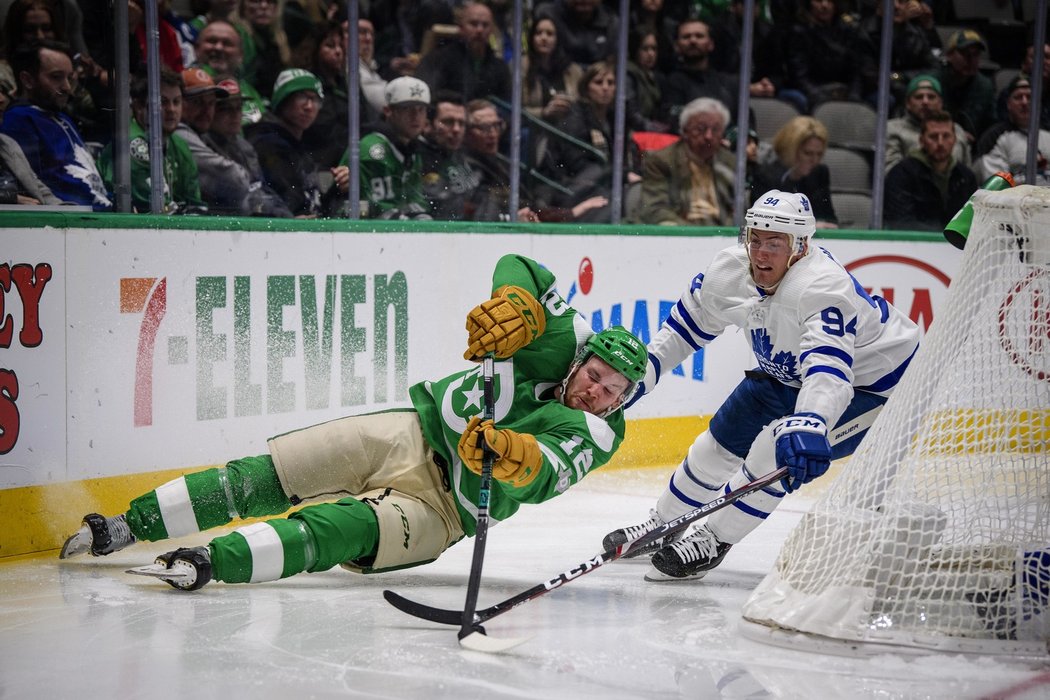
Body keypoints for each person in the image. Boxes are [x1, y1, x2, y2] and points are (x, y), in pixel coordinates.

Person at [58, 254, 648, 593]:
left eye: (613, 392)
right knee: (264, 475)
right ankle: (125, 525)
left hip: (444, 510)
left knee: (332, 529)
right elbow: (518, 265)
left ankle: (209, 562)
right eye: (596, 376)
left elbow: (543, 472)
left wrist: (510, 455)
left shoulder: (599, 432)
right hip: (407, 432)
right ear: (582, 359)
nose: (598, 393)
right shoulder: (563, 336)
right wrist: (516, 300)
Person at [605, 189, 921, 581]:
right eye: (755, 238)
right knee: (715, 446)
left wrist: (811, 419)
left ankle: (713, 539)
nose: (761, 252)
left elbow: (829, 369)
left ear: (800, 247)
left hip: (873, 388)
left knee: (774, 449)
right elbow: (683, 331)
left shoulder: (822, 287)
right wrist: (642, 373)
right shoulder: (728, 272)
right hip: (787, 373)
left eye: (775, 243)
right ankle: (663, 524)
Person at [0, 39, 109, 208]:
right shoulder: (19, 120)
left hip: (100, 218)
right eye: (56, 77)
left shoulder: (62, 117)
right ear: (28, 80)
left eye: (70, 78)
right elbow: (32, 185)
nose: (66, 87)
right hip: (69, 225)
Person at [539, 60, 642, 220]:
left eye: (611, 83)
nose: (605, 88)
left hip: (600, 184)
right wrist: (623, 175)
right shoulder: (574, 117)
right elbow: (578, 164)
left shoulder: (615, 119)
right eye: (599, 82)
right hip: (567, 187)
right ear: (586, 88)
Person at [98, 67, 205, 214]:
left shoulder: (180, 145)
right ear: (139, 106)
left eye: (176, 102)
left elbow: (195, 204)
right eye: (163, 102)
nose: (172, 109)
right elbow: (157, 209)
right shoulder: (132, 144)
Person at [331, 75, 431, 220]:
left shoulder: (413, 150)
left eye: (421, 109)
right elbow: (349, 208)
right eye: (406, 108)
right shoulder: (370, 148)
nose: (415, 116)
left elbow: (415, 201)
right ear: (388, 111)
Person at [636, 96, 735, 226]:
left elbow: (739, 210)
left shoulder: (730, 162)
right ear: (685, 131)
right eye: (700, 129)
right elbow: (655, 208)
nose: (708, 136)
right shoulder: (661, 160)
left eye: (716, 129)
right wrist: (694, 234)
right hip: (680, 232)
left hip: (722, 235)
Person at [244, 67, 327, 218]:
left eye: (315, 99)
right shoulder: (266, 143)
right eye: (302, 97)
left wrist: (339, 185)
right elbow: (291, 201)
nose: (309, 106)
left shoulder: (299, 145)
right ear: (283, 99)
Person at [206, 78, 292, 217]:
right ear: (210, 110)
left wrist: (289, 220)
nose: (235, 114)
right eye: (225, 109)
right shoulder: (203, 145)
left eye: (238, 107)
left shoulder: (244, 146)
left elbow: (261, 189)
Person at [883, 110, 977, 231]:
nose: (940, 143)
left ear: (954, 139)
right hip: (914, 245)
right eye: (933, 137)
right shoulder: (901, 173)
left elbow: (974, 220)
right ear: (922, 140)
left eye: (946, 136)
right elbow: (900, 222)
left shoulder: (966, 177)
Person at [414, 2, 511, 104]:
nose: (479, 30)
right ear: (461, 28)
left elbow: (508, 105)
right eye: (473, 24)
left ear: (491, 30)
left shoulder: (500, 68)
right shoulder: (437, 60)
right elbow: (426, 96)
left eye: (485, 25)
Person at [753, 115, 838, 228]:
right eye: (808, 153)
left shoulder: (820, 173)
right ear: (790, 150)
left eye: (819, 154)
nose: (815, 160)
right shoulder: (765, 176)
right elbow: (761, 221)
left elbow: (829, 217)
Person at [781, 0, 866, 114]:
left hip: (842, 89)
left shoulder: (848, 30)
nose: (824, 5)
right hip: (813, 90)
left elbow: (856, 72)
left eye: (830, 1)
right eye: (818, 0)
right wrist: (821, 98)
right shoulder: (798, 32)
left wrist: (854, 96)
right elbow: (799, 76)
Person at [660, 18, 739, 128]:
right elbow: (672, 116)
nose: (693, 41)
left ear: (711, 44)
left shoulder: (729, 83)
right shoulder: (670, 83)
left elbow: (745, 119)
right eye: (686, 37)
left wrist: (730, 140)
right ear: (677, 46)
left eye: (699, 36)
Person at [973, 75, 1050, 186]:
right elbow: (996, 187)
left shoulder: (1047, 134)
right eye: (1018, 97)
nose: (1024, 102)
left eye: (1029, 97)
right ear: (1008, 104)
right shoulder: (994, 137)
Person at [885, 73, 972, 172]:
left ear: (940, 103)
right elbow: (890, 173)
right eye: (919, 97)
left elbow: (967, 171)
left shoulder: (956, 130)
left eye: (931, 97)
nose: (925, 102)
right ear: (908, 103)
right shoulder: (893, 129)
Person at [419, 90, 478, 219]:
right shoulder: (416, 158)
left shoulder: (462, 155)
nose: (456, 129)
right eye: (448, 122)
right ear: (427, 125)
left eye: (461, 123)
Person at [194, 19, 266, 126]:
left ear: (241, 55)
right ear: (196, 48)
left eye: (227, 43)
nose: (218, 47)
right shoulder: (189, 87)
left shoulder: (248, 90)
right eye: (211, 41)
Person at [933, 28, 996, 143]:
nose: (971, 60)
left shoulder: (985, 86)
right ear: (949, 55)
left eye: (975, 54)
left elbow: (990, 125)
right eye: (964, 54)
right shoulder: (934, 82)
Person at [521, 14, 582, 122]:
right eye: (538, 33)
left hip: (569, 129)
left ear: (558, 38)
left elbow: (583, 107)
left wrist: (568, 105)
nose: (544, 38)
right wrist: (544, 112)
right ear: (531, 38)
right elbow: (515, 110)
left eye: (550, 34)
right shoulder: (520, 67)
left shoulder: (573, 71)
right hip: (534, 130)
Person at [533, 0, 620, 67]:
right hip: (559, 78)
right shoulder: (548, 15)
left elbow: (613, 64)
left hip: (597, 82)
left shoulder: (611, 22)